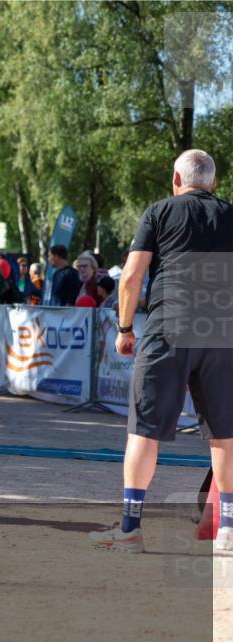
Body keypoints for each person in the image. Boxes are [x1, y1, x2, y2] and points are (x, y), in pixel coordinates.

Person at [89, 149, 233, 554]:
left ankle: (131, 529)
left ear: (176, 179)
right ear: (214, 183)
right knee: (225, 435)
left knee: (144, 431)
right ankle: (229, 531)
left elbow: (132, 276)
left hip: (168, 328)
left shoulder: (159, 212)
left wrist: (125, 327)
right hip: (221, 332)